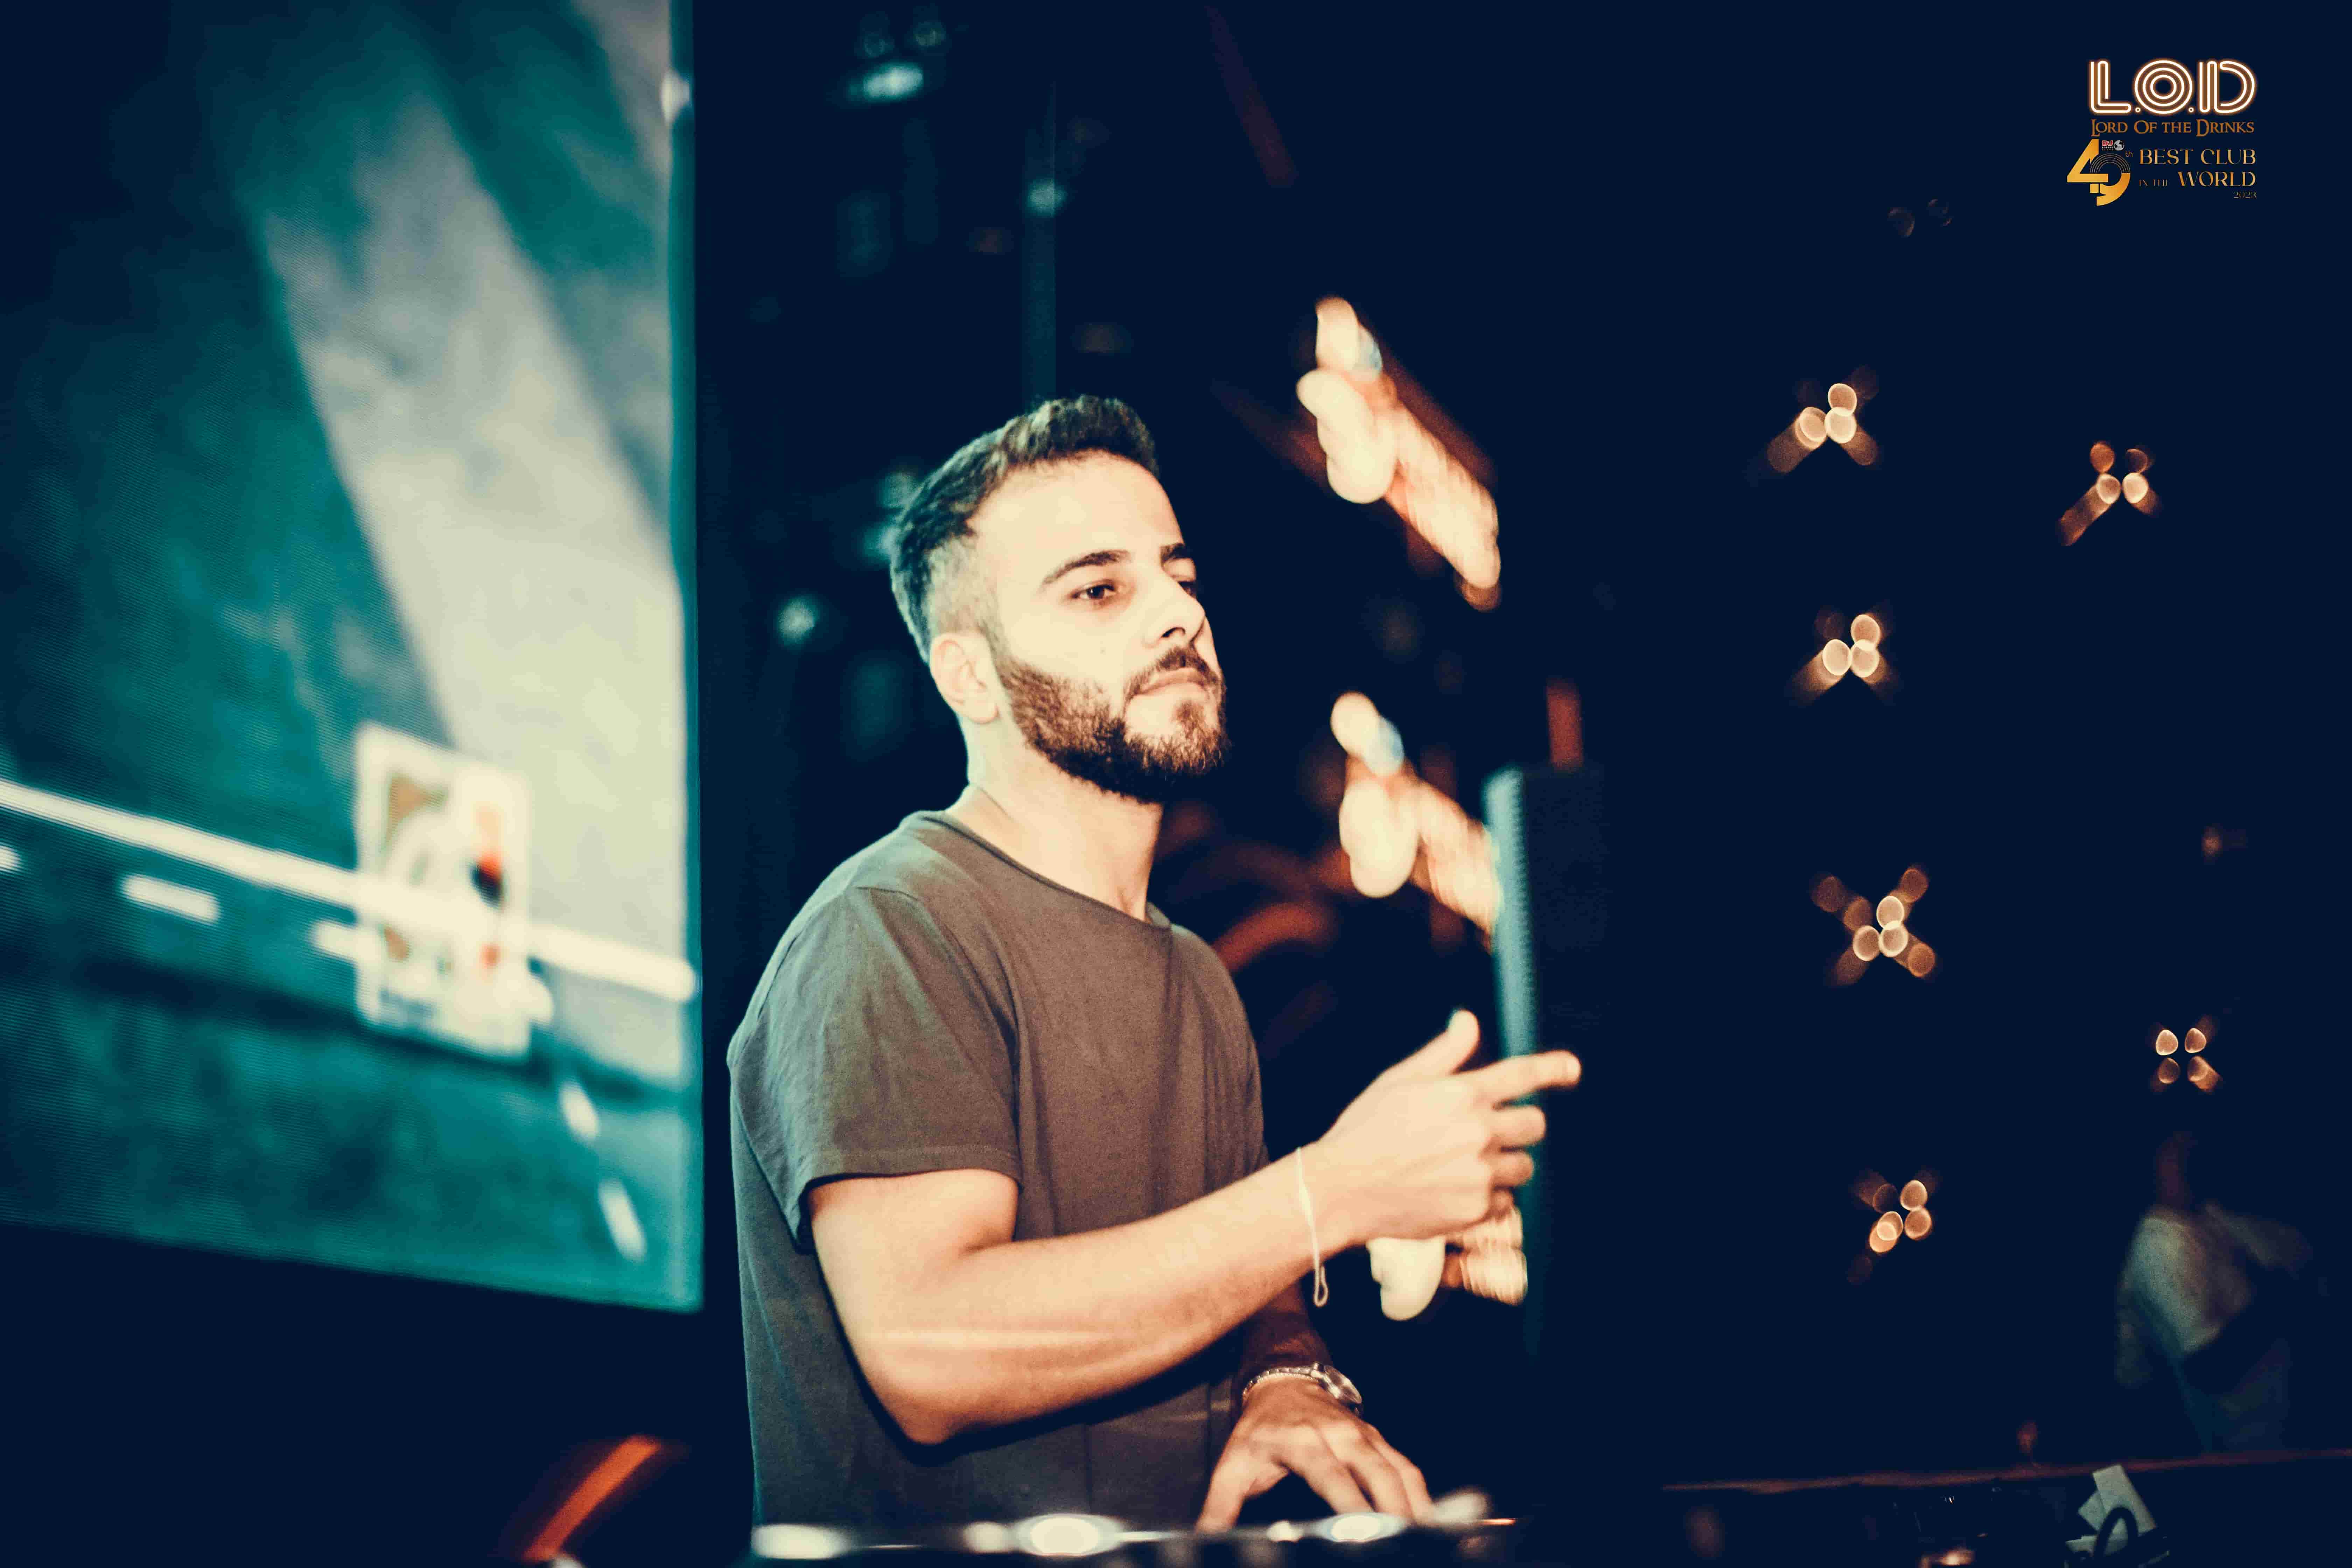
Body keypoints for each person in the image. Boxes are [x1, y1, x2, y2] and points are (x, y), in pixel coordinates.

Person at [727, 396, 1578, 1530]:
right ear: (969, 678)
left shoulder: (1199, 978)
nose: (1179, 613)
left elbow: (1245, 1284)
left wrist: (1289, 1382)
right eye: (1099, 589)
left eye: (1180, 575)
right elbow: (931, 1347)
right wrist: (1333, 1191)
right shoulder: (893, 927)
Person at [2114, 1128, 2314, 1451]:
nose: (2190, 1157)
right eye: (2175, 1150)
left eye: (2192, 1143)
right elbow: (2209, 1368)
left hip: (2283, 1438)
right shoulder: (2159, 1244)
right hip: (2232, 1454)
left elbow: (2301, 1256)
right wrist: (2281, 1300)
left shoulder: (2214, 1218)